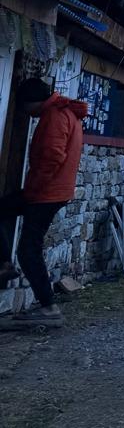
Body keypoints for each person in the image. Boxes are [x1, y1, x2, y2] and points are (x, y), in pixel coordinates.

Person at [0, 77, 88, 329]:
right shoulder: (65, 112)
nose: (25, 113)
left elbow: (51, 157)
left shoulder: (55, 116)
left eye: (24, 106)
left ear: (32, 102)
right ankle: (4, 264)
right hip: (52, 191)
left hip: (46, 193)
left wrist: (34, 189)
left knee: (28, 250)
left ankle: (48, 307)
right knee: (4, 211)